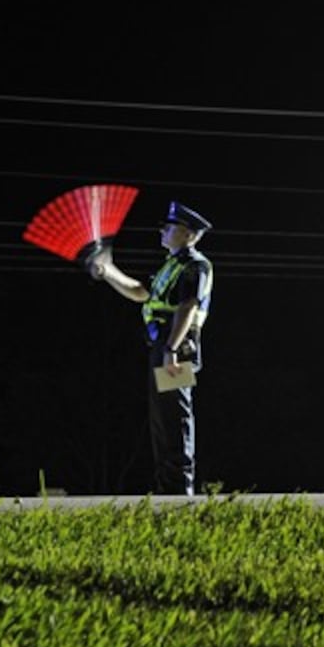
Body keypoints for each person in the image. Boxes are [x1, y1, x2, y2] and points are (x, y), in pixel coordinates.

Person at [84, 201, 215, 496]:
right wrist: (108, 272)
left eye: (170, 227)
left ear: (189, 235)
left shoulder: (196, 265)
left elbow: (188, 305)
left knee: (175, 417)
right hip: (163, 346)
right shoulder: (171, 266)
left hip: (176, 348)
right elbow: (140, 292)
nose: (162, 231)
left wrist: (171, 347)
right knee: (161, 420)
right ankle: (169, 488)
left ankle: (180, 490)